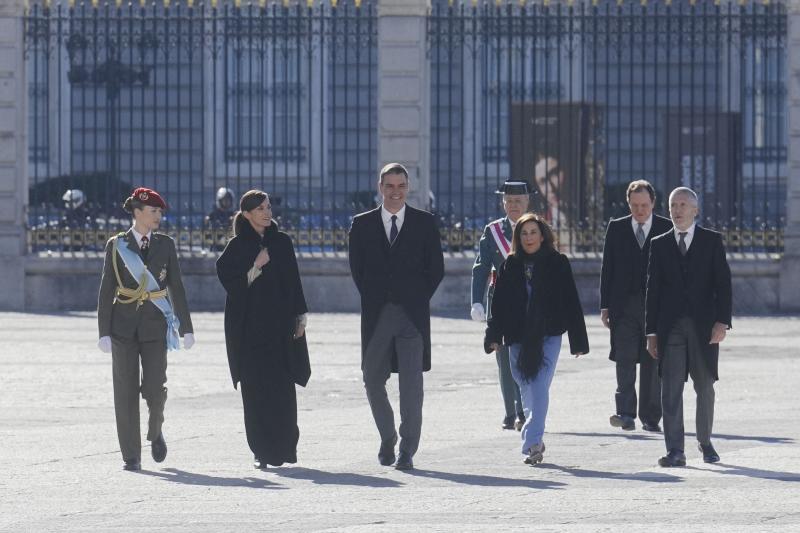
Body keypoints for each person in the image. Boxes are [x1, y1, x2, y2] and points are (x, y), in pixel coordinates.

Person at [348, 162, 444, 471]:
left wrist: (415, 298)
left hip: (411, 317)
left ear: (408, 188)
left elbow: (436, 269)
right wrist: (378, 296)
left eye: (401, 186)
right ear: (380, 188)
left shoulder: (424, 224)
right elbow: (357, 269)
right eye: (389, 186)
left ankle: (407, 450)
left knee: (411, 387)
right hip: (377, 315)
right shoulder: (361, 225)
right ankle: (387, 436)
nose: (395, 192)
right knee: (372, 380)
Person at [97, 187, 195, 472]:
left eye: (160, 212)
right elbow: (107, 289)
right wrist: (103, 330)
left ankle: (155, 430)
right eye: (153, 211)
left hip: (155, 325)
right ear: (137, 213)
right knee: (124, 391)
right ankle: (131, 455)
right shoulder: (117, 245)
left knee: (154, 387)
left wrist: (186, 327)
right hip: (122, 327)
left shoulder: (166, 244)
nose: (158, 217)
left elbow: (176, 287)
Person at [484, 213, 588, 465]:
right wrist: (493, 336)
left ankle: (531, 442)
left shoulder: (558, 262)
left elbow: (571, 301)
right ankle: (537, 439)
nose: (529, 237)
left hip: (549, 334)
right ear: (518, 238)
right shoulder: (509, 265)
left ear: (543, 235)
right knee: (526, 386)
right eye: (524, 233)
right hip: (517, 335)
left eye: (533, 232)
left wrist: (578, 340)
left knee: (539, 384)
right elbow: (498, 305)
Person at [216, 189, 309, 469]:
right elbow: (232, 286)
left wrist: (301, 317)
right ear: (246, 215)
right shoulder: (236, 247)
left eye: (268, 207)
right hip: (249, 332)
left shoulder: (282, 243)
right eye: (260, 209)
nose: (267, 213)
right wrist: (255, 267)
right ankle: (261, 451)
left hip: (280, 329)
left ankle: (285, 448)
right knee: (255, 393)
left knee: (282, 390)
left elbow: (293, 280)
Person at [646, 187, 732, 467]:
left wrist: (722, 322)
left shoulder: (711, 241)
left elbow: (723, 285)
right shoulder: (659, 244)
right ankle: (675, 450)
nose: (677, 210)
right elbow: (653, 290)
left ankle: (705, 441)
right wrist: (651, 332)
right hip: (670, 327)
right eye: (673, 205)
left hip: (704, 327)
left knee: (705, 386)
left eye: (683, 205)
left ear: (695, 210)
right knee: (670, 388)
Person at [600, 180, 672, 433]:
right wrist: (605, 305)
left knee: (653, 359)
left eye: (644, 205)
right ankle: (625, 413)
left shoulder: (666, 227)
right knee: (625, 358)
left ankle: (651, 417)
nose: (639, 210)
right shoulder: (617, 228)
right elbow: (607, 268)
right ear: (628, 204)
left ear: (653, 203)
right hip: (624, 306)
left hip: (656, 307)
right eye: (634, 205)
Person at [471, 180, 528, 431]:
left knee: (527, 356)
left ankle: (526, 407)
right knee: (504, 357)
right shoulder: (493, 231)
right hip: (501, 301)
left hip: (529, 302)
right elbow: (481, 267)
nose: (513, 205)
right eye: (509, 201)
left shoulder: (536, 229)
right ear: (502, 203)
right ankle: (511, 411)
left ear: (527, 202)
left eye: (518, 201)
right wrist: (476, 300)